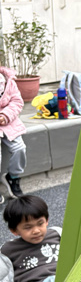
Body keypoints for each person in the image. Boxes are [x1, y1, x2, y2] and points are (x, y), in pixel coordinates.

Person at [0, 195, 60, 282]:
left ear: (47, 221)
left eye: (40, 223)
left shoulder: (57, 235)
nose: (36, 231)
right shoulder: (8, 250)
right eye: (28, 227)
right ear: (14, 230)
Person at [0, 65, 27, 198]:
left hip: (7, 121)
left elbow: (17, 101)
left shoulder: (7, 80)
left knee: (19, 148)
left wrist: (5, 116)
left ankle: (13, 177)